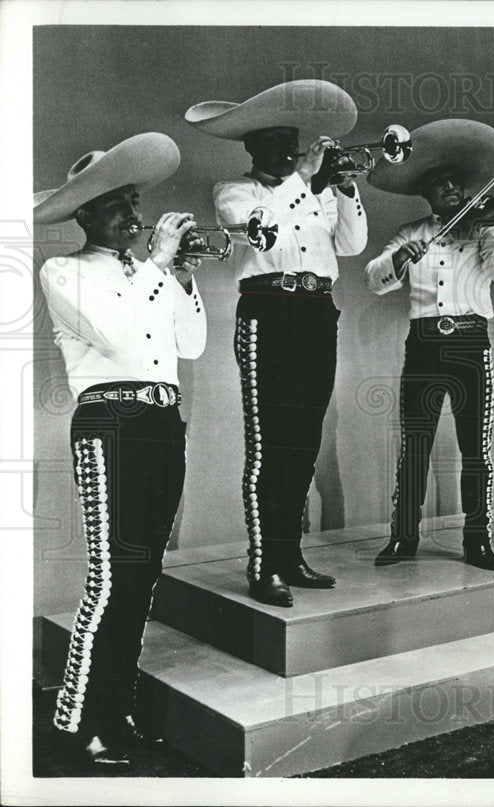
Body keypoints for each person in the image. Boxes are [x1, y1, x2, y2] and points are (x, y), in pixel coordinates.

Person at [35, 133, 207, 765]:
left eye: (134, 200)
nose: (134, 215)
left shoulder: (150, 276)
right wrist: (160, 268)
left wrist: (181, 275)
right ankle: (78, 719)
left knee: (144, 578)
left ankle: (118, 707)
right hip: (109, 423)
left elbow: (189, 346)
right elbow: (112, 334)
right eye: (118, 204)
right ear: (85, 214)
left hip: (163, 422)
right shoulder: (63, 271)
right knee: (112, 578)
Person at [186, 80, 367, 607]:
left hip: (316, 311)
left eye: (292, 140)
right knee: (269, 445)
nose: (288, 150)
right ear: (251, 148)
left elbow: (352, 246)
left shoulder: (316, 193)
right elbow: (261, 232)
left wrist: (345, 188)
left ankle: (289, 555)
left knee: (304, 441)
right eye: (276, 143)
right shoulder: (234, 193)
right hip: (268, 311)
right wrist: (306, 182)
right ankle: (263, 563)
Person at [365, 120, 494, 570]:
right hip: (422, 344)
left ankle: (478, 539)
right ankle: (404, 537)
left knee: (476, 447)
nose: (453, 190)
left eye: (457, 183)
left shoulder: (485, 229)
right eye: (442, 184)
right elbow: (375, 280)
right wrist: (398, 258)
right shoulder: (410, 232)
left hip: (471, 344)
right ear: (428, 194)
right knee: (414, 446)